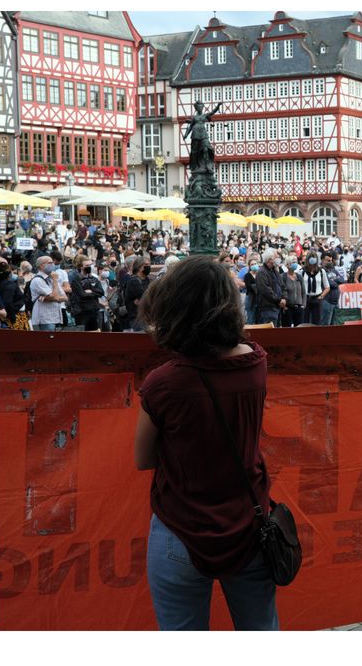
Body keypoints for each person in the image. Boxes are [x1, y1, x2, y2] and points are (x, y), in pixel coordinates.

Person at [134, 255, 279, 630]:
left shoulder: (164, 382)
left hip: (181, 528)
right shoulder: (255, 363)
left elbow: (143, 457)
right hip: (248, 522)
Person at [29, 255, 68, 331]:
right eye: (50, 263)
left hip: (56, 318)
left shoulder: (51, 279)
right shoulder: (37, 280)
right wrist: (56, 281)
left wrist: (49, 298)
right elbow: (55, 296)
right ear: (41, 265)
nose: (53, 265)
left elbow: (65, 297)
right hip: (44, 320)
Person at [69, 257, 105, 331]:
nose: (89, 267)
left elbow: (101, 292)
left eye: (90, 265)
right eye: (87, 265)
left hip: (94, 311)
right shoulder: (76, 279)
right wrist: (95, 293)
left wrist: (91, 291)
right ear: (81, 267)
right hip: (82, 312)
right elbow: (82, 295)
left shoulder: (94, 278)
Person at [254, 249, 287, 327]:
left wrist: (284, 298)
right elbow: (265, 290)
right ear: (270, 259)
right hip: (268, 308)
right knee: (270, 333)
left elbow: (282, 286)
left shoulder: (275, 271)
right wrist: (279, 300)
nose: (278, 259)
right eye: (276, 257)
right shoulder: (261, 272)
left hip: (277, 307)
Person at [123, 259, 152, 332]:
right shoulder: (133, 281)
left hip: (148, 317)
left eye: (149, 264)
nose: (148, 266)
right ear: (139, 267)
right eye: (145, 265)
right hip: (137, 318)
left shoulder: (148, 279)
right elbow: (146, 296)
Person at [320, 252, 344, 326]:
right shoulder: (321, 271)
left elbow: (342, 280)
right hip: (327, 301)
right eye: (328, 260)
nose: (330, 262)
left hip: (335, 301)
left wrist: (335, 281)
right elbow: (331, 284)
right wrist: (336, 280)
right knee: (326, 324)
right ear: (322, 260)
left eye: (330, 260)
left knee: (335, 324)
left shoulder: (333, 269)